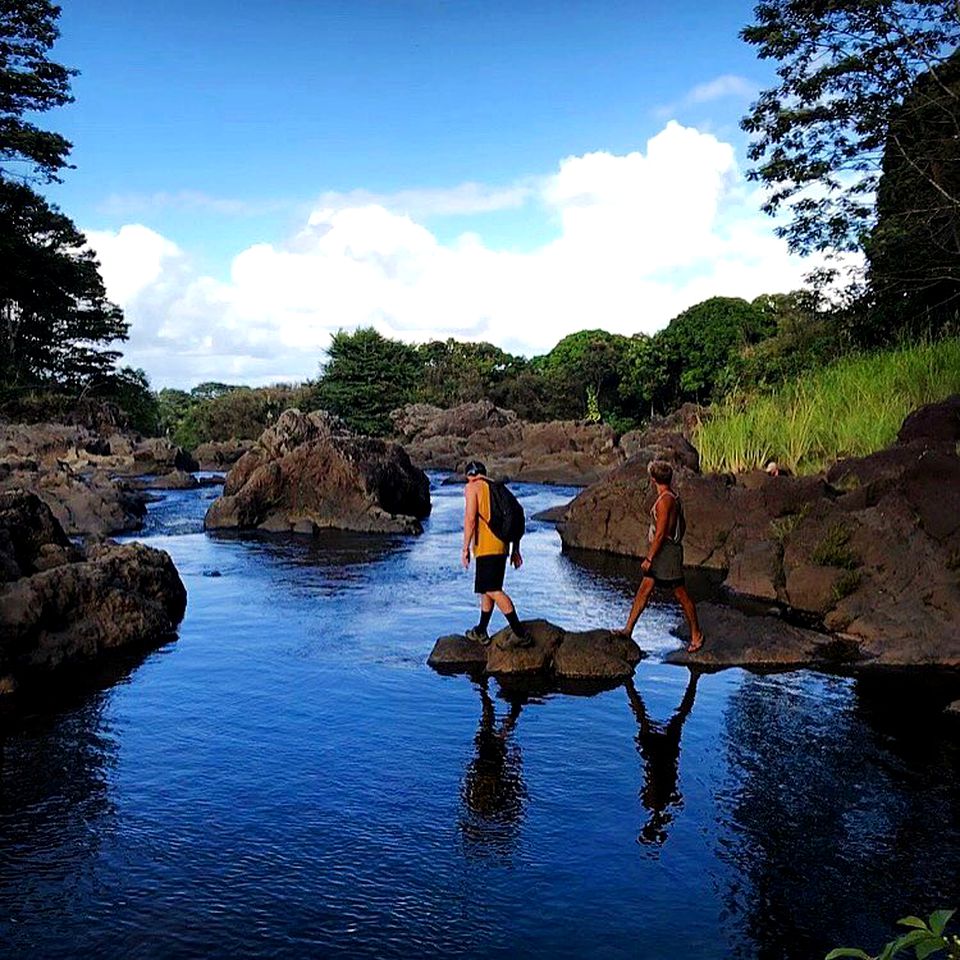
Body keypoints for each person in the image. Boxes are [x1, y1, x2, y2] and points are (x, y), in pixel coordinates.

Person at [618, 459, 705, 652]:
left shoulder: (666, 501)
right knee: (644, 590)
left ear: (653, 479)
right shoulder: (670, 497)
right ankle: (628, 629)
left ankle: (696, 635)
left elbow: (661, 533)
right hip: (664, 551)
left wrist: (649, 558)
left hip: (667, 553)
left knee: (681, 594)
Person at [461, 460, 530, 648]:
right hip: (502, 545)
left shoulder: (473, 487)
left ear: (469, 475)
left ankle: (520, 633)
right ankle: (481, 630)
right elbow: (515, 515)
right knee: (487, 590)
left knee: (493, 590)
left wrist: (465, 548)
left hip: (486, 547)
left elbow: (470, 519)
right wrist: (515, 549)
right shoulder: (498, 489)